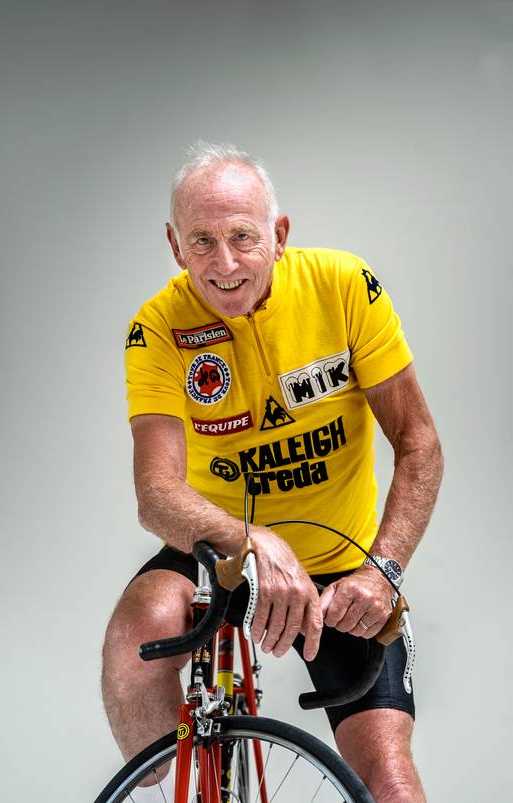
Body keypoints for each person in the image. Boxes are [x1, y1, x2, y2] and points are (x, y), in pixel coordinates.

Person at [102, 142, 443, 802]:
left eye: (242, 237)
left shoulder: (344, 287)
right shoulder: (159, 327)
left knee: (392, 785)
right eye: (202, 241)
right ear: (175, 246)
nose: (224, 263)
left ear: (279, 234)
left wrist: (385, 570)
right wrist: (251, 539)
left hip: (342, 564)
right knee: (133, 631)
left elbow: (419, 443)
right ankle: (165, 773)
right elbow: (157, 492)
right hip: (220, 554)